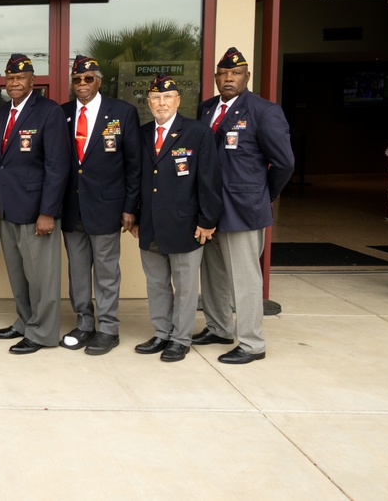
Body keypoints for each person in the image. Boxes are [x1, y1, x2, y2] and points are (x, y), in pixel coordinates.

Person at [195, 47, 295, 364]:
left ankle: (252, 343)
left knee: (245, 279)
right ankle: (220, 327)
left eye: (235, 74)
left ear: (246, 77)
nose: (228, 79)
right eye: (223, 74)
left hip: (244, 210)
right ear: (215, 77)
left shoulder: (264, 111)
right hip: (209, 211)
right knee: (213, 275)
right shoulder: (206, 108)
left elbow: (284, 163)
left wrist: (265, 196)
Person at [133, 74, 222, 363]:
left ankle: (180, 339)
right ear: (148, 102)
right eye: (156, 98)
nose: (161, 103)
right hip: (150, 225)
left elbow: (208, 180)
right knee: (156, 284)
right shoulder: (143, 133)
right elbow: (136, 178)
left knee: (185, 288)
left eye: (167, 97)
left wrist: (208, 220)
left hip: (186, 225)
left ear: (178, 101)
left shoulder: (197, 133)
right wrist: (133, 216)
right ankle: (161, 332)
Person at [59, 55, 141, 356]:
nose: (82, 84)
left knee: (106, 272)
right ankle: (84, 323)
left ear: (99, 80)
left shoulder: (122, 112)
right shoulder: (63, 113)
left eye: (88, 78)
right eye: (77, 79)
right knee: (78, 272)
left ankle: (108, 328)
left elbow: (134, 165)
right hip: (71, 207)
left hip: (107, 207)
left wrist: (130, 206)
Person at [0, 53, 70, 355]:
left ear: (32, 81)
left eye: (20, 78)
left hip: (37, 212)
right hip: (8, 210)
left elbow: (57, 166)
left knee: (42, 279)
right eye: (10, 78)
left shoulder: (48, 112)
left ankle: (44, 332)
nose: (14, 83)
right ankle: (25, 322)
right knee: (19, 275)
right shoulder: (1, 112)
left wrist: (48, 212)